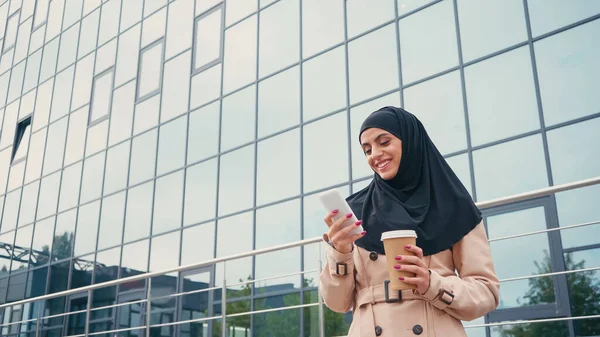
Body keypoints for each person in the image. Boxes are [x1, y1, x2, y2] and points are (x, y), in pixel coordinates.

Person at [320, 106, 499, 337]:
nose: (374, 154)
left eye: (384, 142)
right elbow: (337, 304)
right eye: (367, 150)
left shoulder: (454, 205)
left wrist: (431, 283)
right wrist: (340, 252)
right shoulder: (355, 210)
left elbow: (486, 292)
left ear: (411, 141)